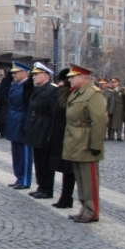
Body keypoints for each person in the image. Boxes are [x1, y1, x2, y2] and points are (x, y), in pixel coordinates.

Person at [63, 63, 107, 223]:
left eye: (72, 77)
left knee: (89, 180)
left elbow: (100, 121)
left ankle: (92, 211)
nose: (69, 80)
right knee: (81, 179)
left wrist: (96, 145)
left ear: (82, 77)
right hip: (75, 141)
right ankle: (84, 207)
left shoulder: (93, 94)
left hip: (86, 142)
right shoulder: (77, 93)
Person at [25, 63, 58, 199]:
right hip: (36, 126)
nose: (33, 77)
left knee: (46, 161)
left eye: (36, 75)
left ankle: (47, 189)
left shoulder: (52, 90)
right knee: (38, 160)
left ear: (45, 75)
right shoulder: (37, 89)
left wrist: (51, 132)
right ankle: (41, 185)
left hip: (46, 127)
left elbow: (55, 113)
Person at [0, 61, 34, 189]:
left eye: (15, 73)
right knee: (16, 153)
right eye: (12, 73)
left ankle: (25, 180)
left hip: (22, 120)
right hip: (13, 120)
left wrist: (26, 125)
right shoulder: (14, 85)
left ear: (24, 73)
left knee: (24, 153)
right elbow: (2, 92)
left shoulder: (28, 86)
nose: (13, 75)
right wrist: (7, 77)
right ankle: (19, 177)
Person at [51, 69, 76, 209]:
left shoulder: (70, 93)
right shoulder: (65, 92)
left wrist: (65, 89)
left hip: (71, 135)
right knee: (66, 169)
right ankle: (65, 197)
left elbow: (63, 107)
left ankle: (67, 197)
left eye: (64, 81)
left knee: (71, 170)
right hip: (63, 135)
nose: (61, 84)